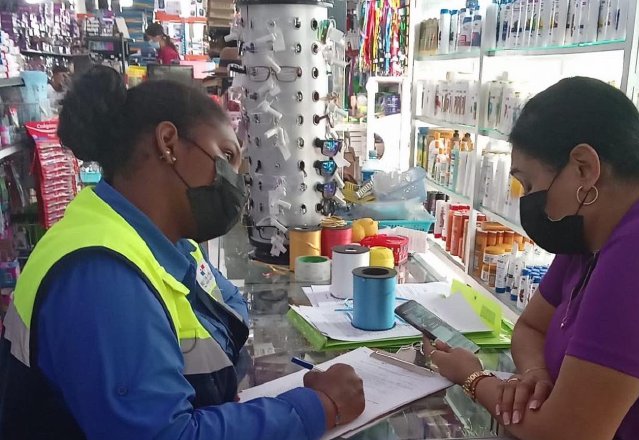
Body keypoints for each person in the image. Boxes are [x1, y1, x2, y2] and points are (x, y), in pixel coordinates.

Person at [0, 65, 365, 439]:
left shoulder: (172, 245)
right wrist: (318, 408)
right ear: (168, 143)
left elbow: (229, 312)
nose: (236, 181)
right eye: (226, 156)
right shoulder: (101, 274)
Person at [424, 77, 639, 440]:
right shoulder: (596, 233)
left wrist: (472, 377)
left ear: (584, 168)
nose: (527, 200)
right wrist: (535, 374)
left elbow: (567, 433)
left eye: (529, 184)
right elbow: (530, 328)